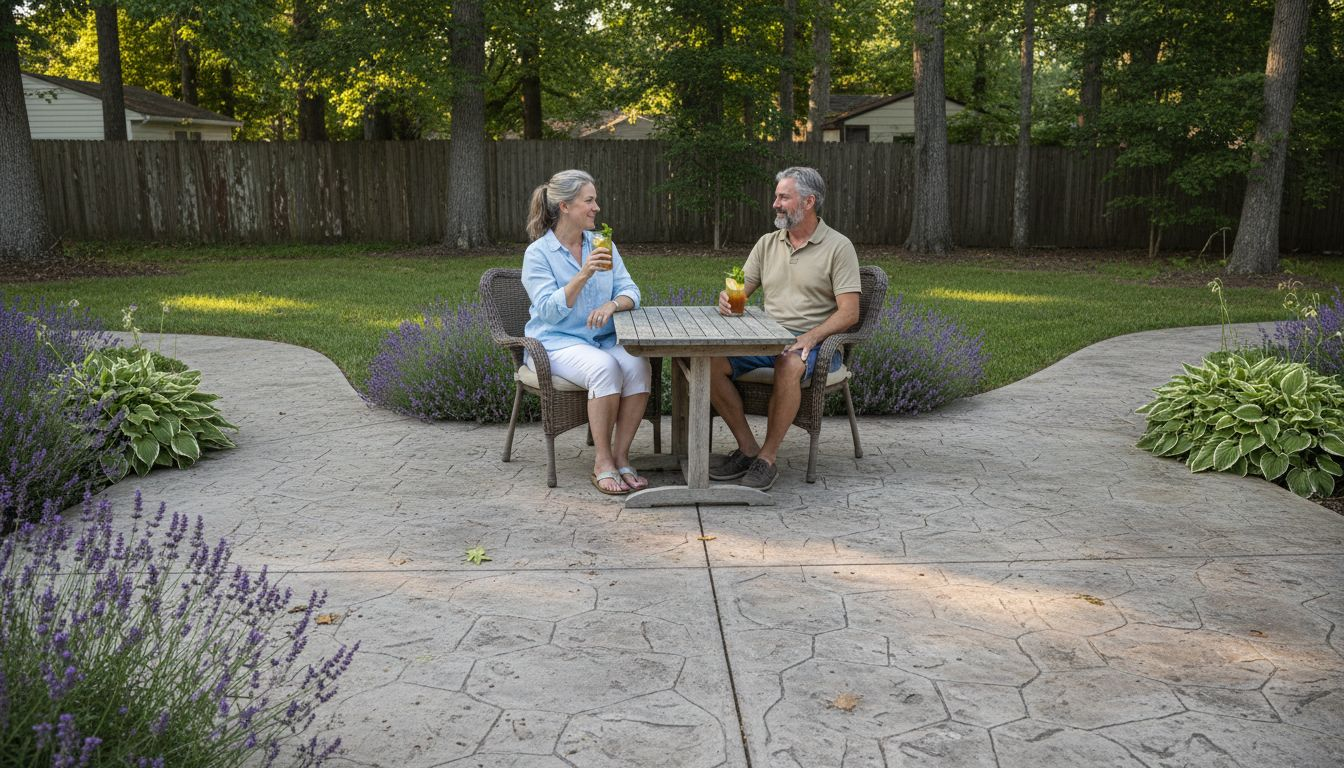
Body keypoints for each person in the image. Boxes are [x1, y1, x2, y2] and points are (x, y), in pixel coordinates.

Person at [709, 167, 861, 490]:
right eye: (776, 196)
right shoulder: (767, 244)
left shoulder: (839, 247)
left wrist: (811, 336)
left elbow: (850, 313)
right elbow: (741, 290)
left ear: (809, 201)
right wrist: (726, 299)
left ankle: (767, 459)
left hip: (816, 346)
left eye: (783, 197)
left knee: (789, 362)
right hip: (765, 342)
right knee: (706, 362)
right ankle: (749, 449)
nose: (775, 204)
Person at [523, 169, 652, 495]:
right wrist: (583, 274)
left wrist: (612, 306)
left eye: (595, 200)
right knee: (604, 368)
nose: (596, 207)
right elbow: (549, 311)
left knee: (638, 365)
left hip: (602, 338)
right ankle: (602, 461)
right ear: (565, 206)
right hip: (556, 342)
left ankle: (622, 458)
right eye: (589, 201)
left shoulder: (602, 243)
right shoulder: (538, 254)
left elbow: (631, 291)